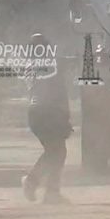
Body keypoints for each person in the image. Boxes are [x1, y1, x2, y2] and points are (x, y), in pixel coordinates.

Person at [21, 33, 72, 204]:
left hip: (36, 112)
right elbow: (58, 91)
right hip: (48, 111)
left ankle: (49, 190)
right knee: (56, 151)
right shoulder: (49, 65)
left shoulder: (30, 64)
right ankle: (35, 183)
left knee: (56, 151)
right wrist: (64, 115)